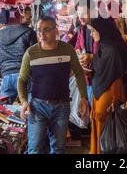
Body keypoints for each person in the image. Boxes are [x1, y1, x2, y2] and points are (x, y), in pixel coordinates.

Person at [18, 17, 89, 154]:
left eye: (46, 30)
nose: (42, 34)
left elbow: (79, 73)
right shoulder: (31, 53)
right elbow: (22, 79)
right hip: (37, 107)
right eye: (39, 31)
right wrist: (24, 101)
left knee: (58, 148)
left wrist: (84, 98)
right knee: (35, 148)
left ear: (55, 31)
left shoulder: (67, 50)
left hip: (61, 107)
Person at [87, 18, 127, 154]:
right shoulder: (104, 46)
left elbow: (117, 75)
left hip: (110, 94)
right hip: (99, 92)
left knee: (108, 131)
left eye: (93, 31)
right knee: (100, 128)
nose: (91, 34)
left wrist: (116, 100)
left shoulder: (113, 49)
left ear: (102, 31)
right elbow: (100, 68)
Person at [0, 7, 37, 103]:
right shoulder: (29, 32)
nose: (30, 21)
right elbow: (35, 58)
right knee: (31, 111)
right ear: (20, 15)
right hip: (25, 77)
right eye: (29, 18)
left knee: (3, 112)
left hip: (6, 77)